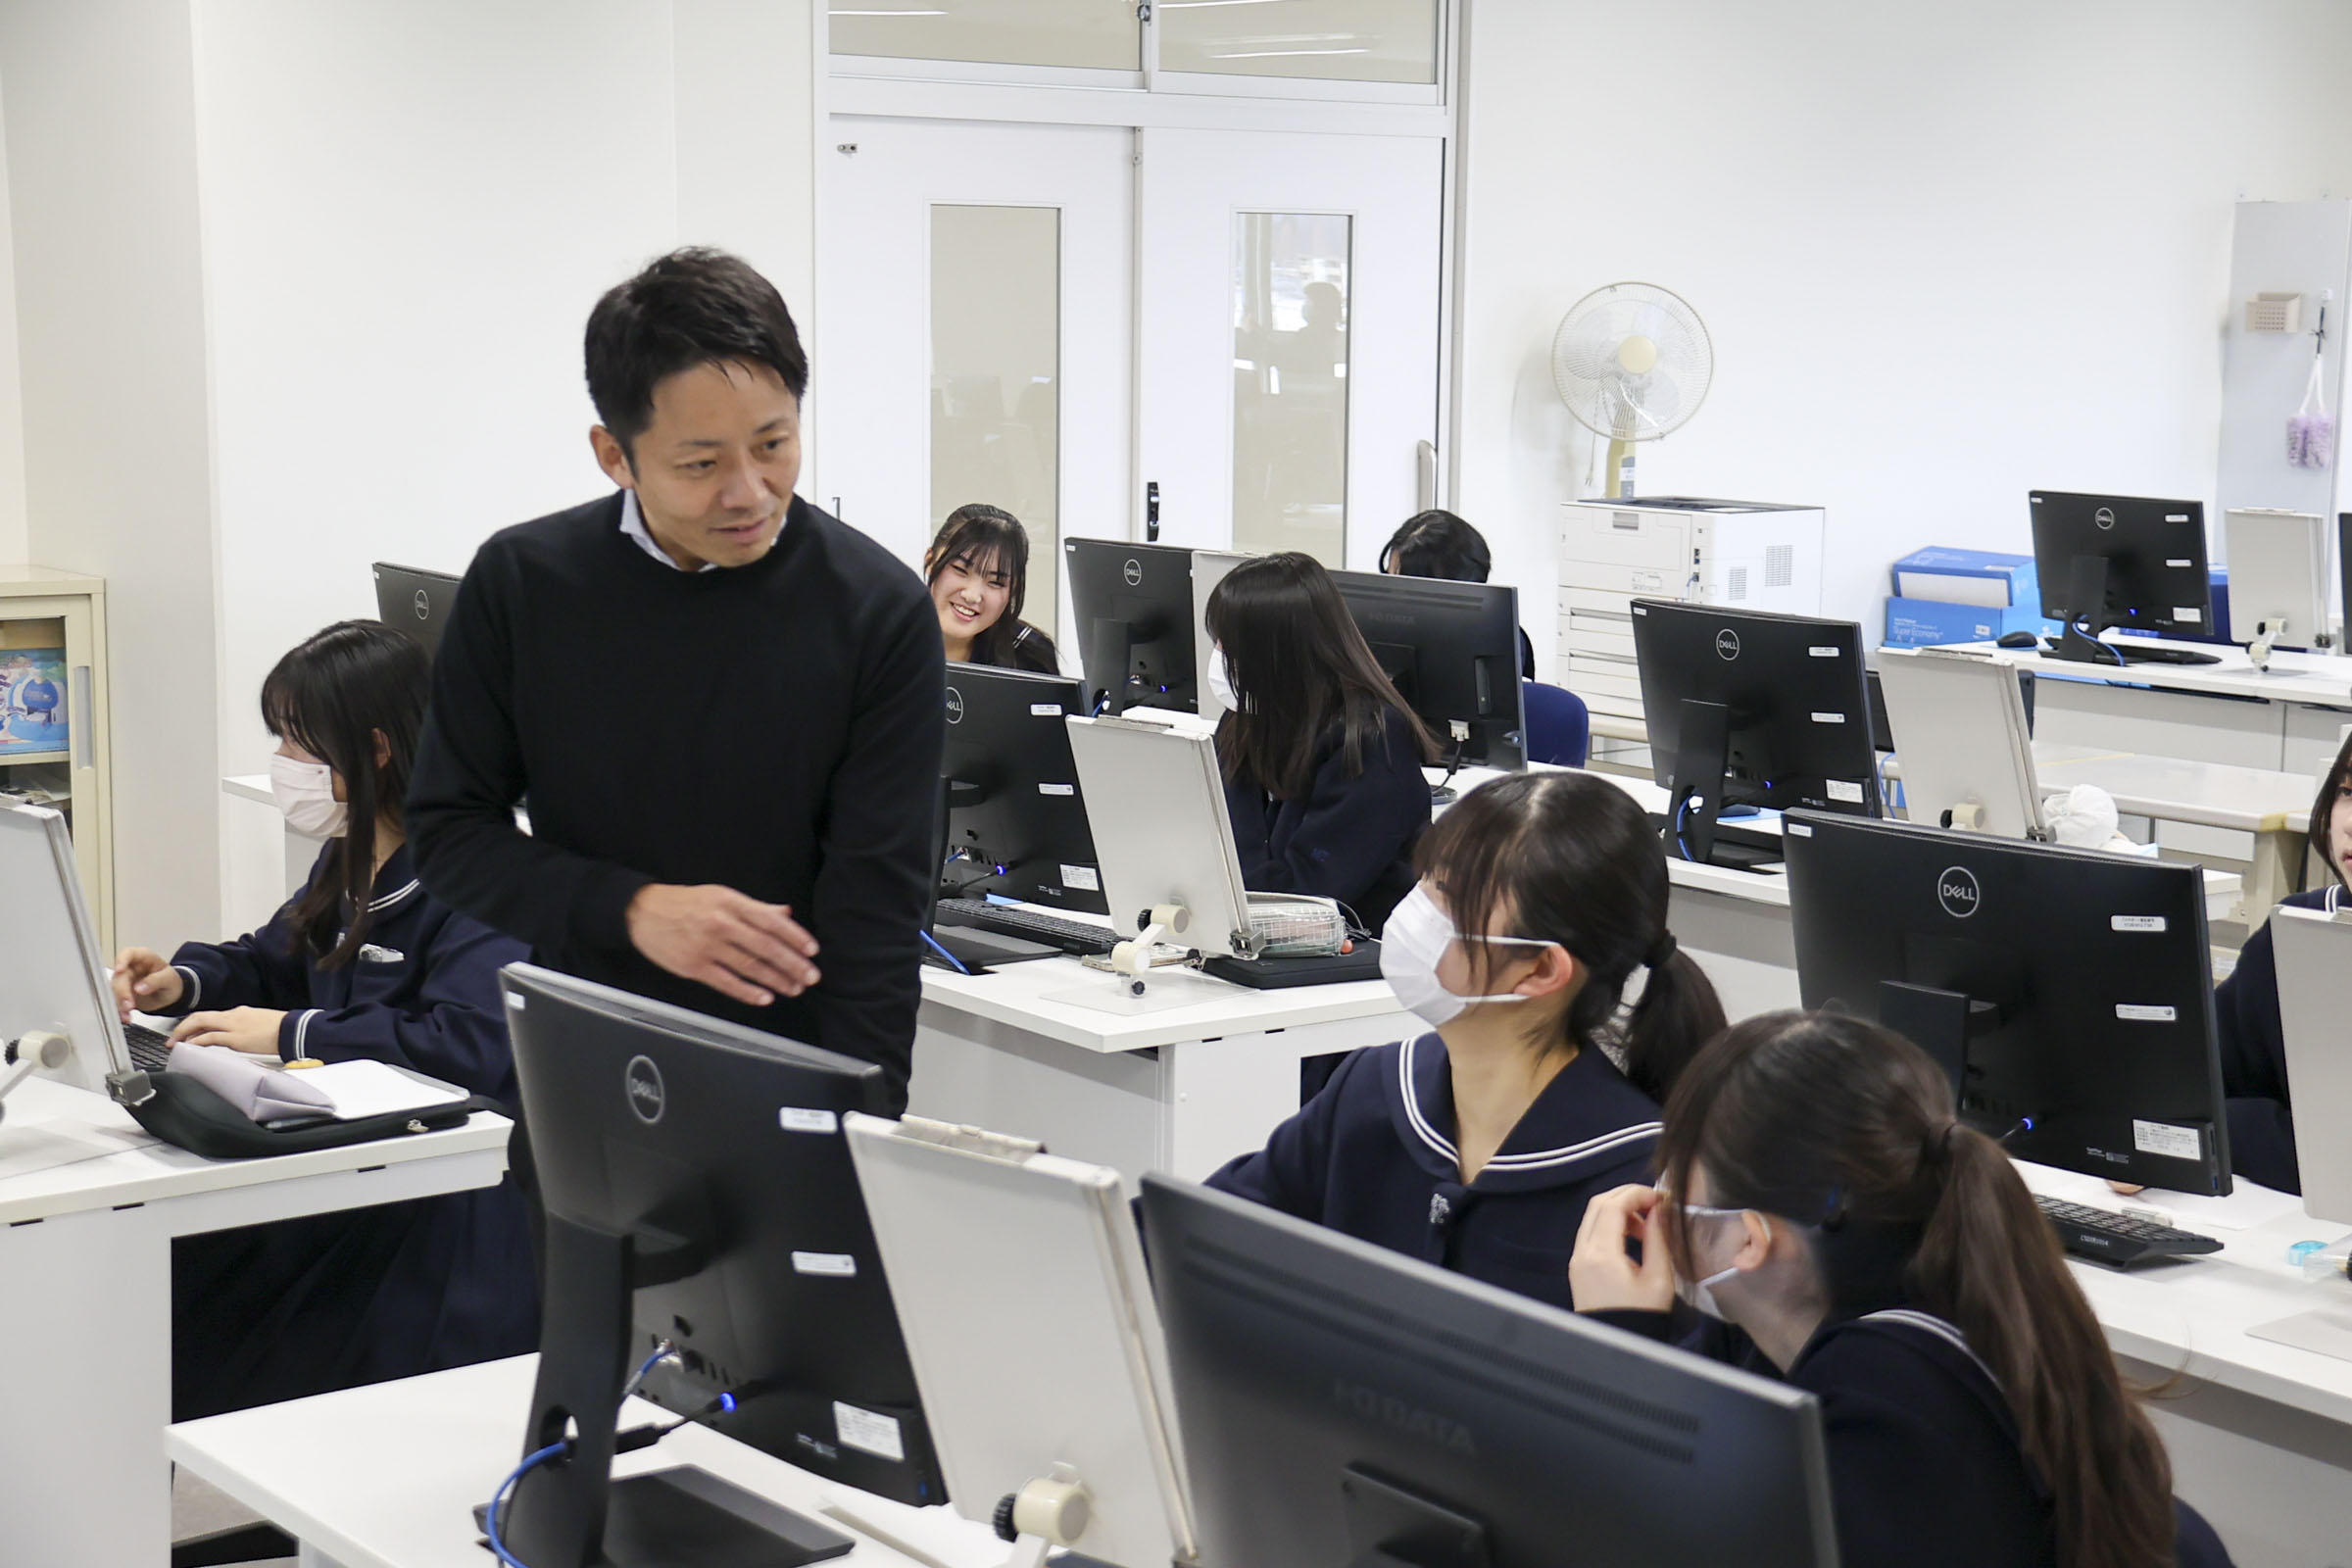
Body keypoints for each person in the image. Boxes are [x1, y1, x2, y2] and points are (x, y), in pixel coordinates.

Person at [406, 248, 943, 1109]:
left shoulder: (875, 611)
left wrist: (862, 1130)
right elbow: (451, 835)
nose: (750, 492)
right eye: (701, 464)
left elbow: (876, 920)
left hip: (789, 1073)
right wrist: (632, 909)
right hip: (582, 1067)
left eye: (774, 445)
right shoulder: (525, 583)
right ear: (614, 455)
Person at [1568, 1009, 2234, 1568]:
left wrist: (1616, 1347)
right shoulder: (1816, 1326)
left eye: (1675, 1167)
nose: (1659, 1191)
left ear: (1750, 1239)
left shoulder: (1888, 1413)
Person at [108, 621, 536, 1420]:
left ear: (373, 749)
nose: (283, 763)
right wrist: (181, 985)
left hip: (442, 1205)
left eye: (297, 743)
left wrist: (288, 1033)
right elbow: (274, 956)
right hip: (349, 1167)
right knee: (155, 1296)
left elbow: (467, 1048)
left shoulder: (482, 876)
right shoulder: (352, 853)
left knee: (204, 1313)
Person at [1205, 771, 1726, 1312]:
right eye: (1427, 879)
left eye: (1450, 896)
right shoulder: (1373, 1088)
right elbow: (1205, 1233)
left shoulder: (1643, 1186)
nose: (1415, 911)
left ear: (1541, 969)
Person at [1204, 551, 1436, 935]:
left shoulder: (1371, 741)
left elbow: (1308, 898)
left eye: (1229, 645)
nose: (1219, 656)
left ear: (1276, 652)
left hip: (1352, 944)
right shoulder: (1247, 717)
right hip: (1258, 929)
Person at [2205, 726, 2352, 1194]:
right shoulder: (2299, 928)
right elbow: (2197, 1081)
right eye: (2348, 792)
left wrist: (2224, 1131)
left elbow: (2338, 1157)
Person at [1378, 508, 1536, 680]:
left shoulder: (1496, 642)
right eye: (1388, 578)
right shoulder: (1376, 627)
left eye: (1402, 586)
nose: (1390, 596)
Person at [924, 503, 1058, 673]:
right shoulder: (891, 636)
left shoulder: (1029, 658)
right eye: (960, 569)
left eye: (995, 582)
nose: (972, 596)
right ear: (930, 561)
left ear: (1014, 589)